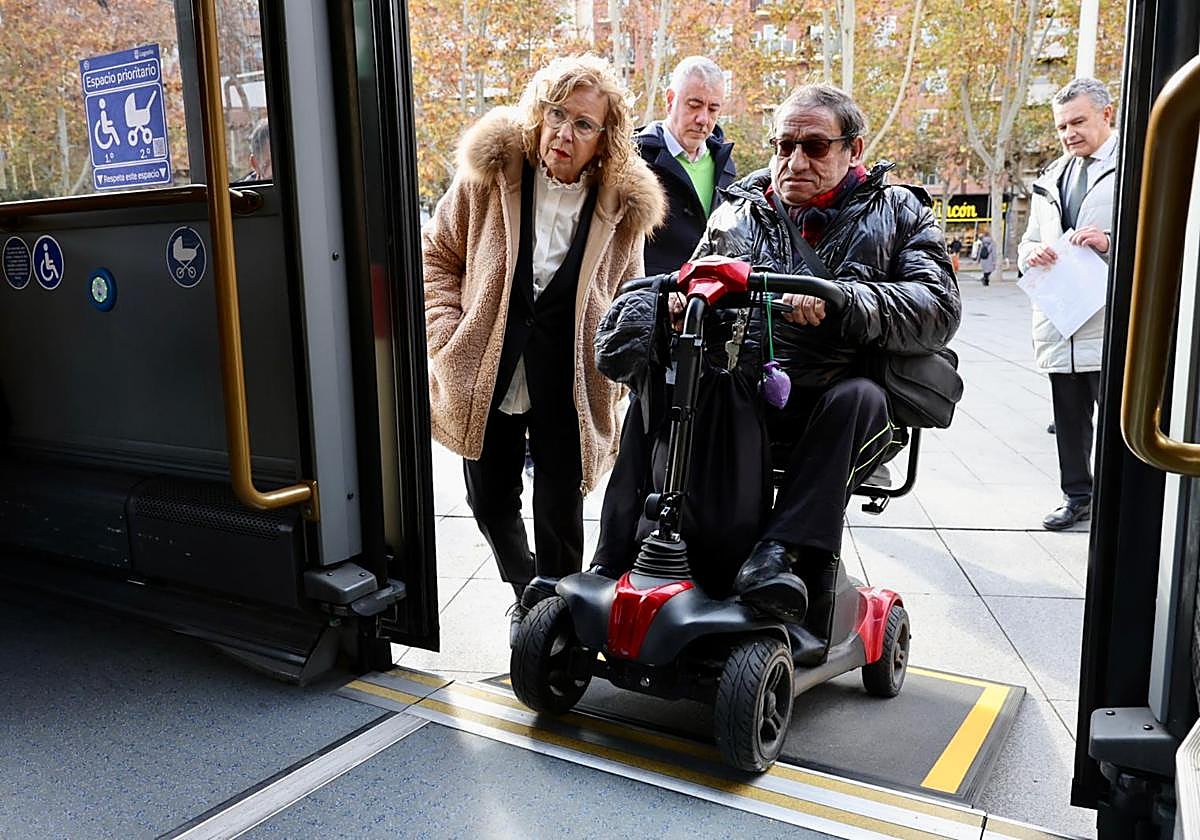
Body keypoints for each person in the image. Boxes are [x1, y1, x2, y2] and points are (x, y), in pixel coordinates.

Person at [691, 83, 960, 663]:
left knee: (856, 396)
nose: (794, 162)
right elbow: (695, 280)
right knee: (686, 385)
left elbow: (938, 307)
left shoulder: (901, 210)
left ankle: (780, 555)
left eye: (814, 146)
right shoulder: (739, 208)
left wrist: (844, 301)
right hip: (756, 390)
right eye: (783, 145)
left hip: (846, 402)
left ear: (853, 149)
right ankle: (635, 553)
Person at [422, 54, 665, 644]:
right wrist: (445, 333)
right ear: (538, 112)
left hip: (572, 374)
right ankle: (527, 592)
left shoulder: (621, 207)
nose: (564, 132)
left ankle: (555, 624)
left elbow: (629, 296)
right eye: (556, 113)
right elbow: (438, 258)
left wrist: (618, 361)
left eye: (584, 123)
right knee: (487, 497)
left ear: (605, 137)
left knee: (560, 505)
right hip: (486, 363)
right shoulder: (492, 174)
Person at [1018, 77, 1118, 531]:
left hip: (1110, 323)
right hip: (1061, 321)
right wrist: (1030, 255)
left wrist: (1109, 242)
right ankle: (1077, 497)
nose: (1069, 133)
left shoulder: (1134, 167)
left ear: (1107, 115)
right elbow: (1028, 242)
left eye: (1077, 122)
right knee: (1070, 422)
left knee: (1119, 425)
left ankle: (1120, 502)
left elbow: (1164, 235)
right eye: (1062, 126)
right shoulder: (1049, 178)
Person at [635, 56, 737, 275]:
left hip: (710, 300)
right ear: (670, 100)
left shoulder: (725, 165)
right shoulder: (635, 159)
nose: (703, 118)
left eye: (713, 109)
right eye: (694, 105)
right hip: (651, 300)